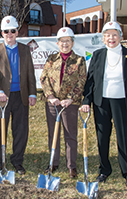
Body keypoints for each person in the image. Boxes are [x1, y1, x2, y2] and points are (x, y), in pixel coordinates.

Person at [80, 21, 127, 188]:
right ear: (103, 38)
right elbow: (91, 81)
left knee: (124, 137)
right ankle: (104, 170)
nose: (111, 38)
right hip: (101, 102)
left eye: (115, 34)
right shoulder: (98, 55)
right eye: (107, 35)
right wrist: (86, 100)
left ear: (121, 37)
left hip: (123, 102)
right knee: (102, 137)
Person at [0, 16, 37, 175]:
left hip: (20, 96)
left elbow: (30, 72)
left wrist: (32, 93)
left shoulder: (25, 49)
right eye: (6, 31)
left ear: (17, 32)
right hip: (1, 97)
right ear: (2, 33)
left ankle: (17, 161)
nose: (10, 33)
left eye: (13, 31)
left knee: (20, 130)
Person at [40, 27, 87, 179]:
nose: (65, 44)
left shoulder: (79, 60)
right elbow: (44, 78)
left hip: (70, 104)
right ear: (58, 43)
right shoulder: (51, 59)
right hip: (53, 103)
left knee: (70, 135)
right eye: (62, 41)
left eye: (67, 41)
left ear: (72, 43)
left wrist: (71, 98)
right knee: (53, 134)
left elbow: (81, 81)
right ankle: (53, 163)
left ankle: (71, 166)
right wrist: (50, 96)